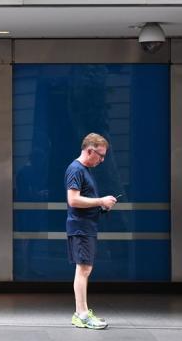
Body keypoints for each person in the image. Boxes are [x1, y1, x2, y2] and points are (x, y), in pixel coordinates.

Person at [65, 133, 117, 329]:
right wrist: (100, 201)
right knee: (83, 269)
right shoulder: (76, 169)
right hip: (80, 227)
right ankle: (82, 314)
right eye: (101, 155)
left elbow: (81, 201)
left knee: (85, 269)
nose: (102, 160)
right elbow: (73, 200)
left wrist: (100, 206)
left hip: (85, 226)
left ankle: (82, 312)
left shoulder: (83, 170)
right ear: (89, 150)